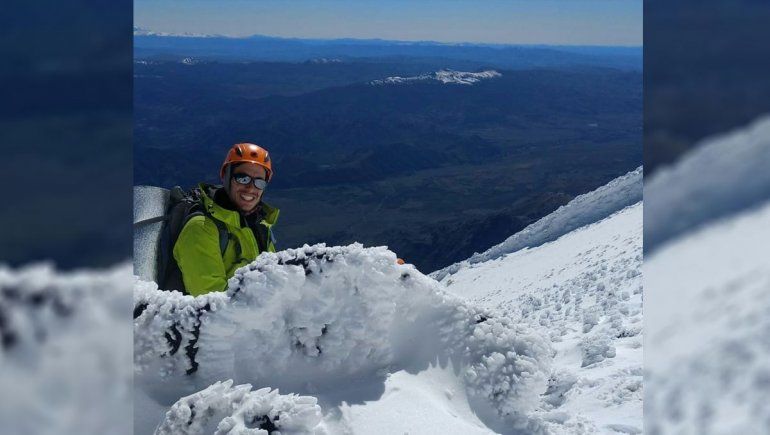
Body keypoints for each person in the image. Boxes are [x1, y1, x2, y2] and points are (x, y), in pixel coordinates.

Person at [173, 143, 279, 296]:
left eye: (259, 182)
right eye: (242, 179)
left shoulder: (259, 224)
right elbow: (211, 304)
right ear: (226, 176)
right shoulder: (201, 228)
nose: (251, 188)